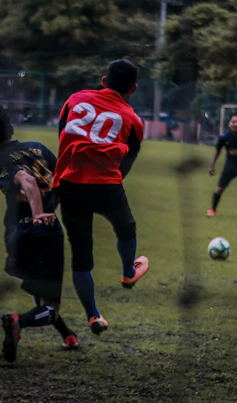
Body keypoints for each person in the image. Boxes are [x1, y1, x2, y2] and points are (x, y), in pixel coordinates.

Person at [0, 105, 78, 364]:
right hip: (45, 234)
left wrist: (43, 210)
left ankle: (68, 336)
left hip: (17, 236)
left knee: (39, 283)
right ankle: (18, 321)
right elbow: (38, 181)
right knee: (49, 310)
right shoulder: (39, 148)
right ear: (11, 129)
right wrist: (44, 212)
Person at [52, 59, 149, 335]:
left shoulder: (75, 99)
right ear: (134, 89)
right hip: (106, 185)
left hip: (70, 183)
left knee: (81, 257)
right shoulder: (133, 119)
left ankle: (93, 316)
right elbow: (128, 161)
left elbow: (62, 132)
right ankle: (128, 273)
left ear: (104, 82)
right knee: (126, 227)